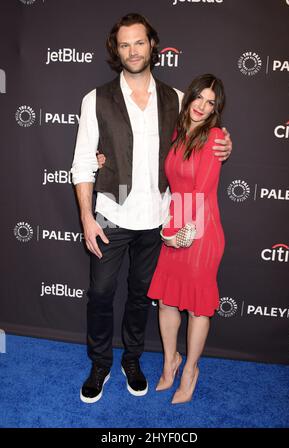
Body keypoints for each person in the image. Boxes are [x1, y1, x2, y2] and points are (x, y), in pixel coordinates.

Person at [71, 12, 232, 404]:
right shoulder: (95, 99)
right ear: (116, 50)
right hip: (111, 209)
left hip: (160, 216)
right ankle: (99, 364)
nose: (132, 50)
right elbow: (82, 162)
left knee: (142, 296)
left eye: (139, 42)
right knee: (101, 293)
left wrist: (226, 142)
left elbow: (201, 138)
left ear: (152, 45)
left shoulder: (176, 98)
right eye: (124, 44)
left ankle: (132, 359)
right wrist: (86, 217)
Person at [147, 73, 226, 404]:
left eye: (211, 103)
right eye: (199, 98)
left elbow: (201, 190)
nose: (203, 107)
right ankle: (171, 361)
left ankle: (190, 370)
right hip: (175, 224)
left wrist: (183, 234)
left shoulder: (215, 137)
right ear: (190, 96)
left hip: (201, 231)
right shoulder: (178, 132)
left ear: (215, 110)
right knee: (166, 301)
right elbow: (173, 188)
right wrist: (169, 232)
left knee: (197, 308)